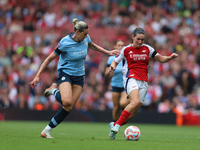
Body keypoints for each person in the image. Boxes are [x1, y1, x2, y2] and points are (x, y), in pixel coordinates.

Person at [29, 18, 120, 138]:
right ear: (77, 32)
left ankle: (46, 130)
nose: (87, 36)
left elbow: (92, 45)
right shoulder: (65, 42)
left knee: (69, 106)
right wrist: (37, 75)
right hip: (65, 73)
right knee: (66, 101)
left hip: (79, 75)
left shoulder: (86, 38)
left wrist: (107, 52)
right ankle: (54, 90)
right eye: (84, 34)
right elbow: (49, 58)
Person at [108, 27, 178, 140]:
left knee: (132, 114)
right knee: (134, 101)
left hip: (144, 81)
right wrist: (112, 66)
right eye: (138, 39)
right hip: (131, 78)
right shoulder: (126, 49)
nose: (140, 42)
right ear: (133, 37)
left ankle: (115, 124)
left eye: (142, 40)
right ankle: (116, 126)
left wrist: (169, 58)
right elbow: (115, 62)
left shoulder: (148, 49)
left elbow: (161, 59)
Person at [104, 40, 129, 122]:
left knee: (123, 103)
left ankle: (122, 120)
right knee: (116, 106)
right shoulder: (111, 58)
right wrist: (109, 71)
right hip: (115, 84)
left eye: (122, 45)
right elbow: (106, 73)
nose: (121, 47)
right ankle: (114, 124)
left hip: (125, 85)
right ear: (115, 47)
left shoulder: (127, 58)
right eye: (119, 45)